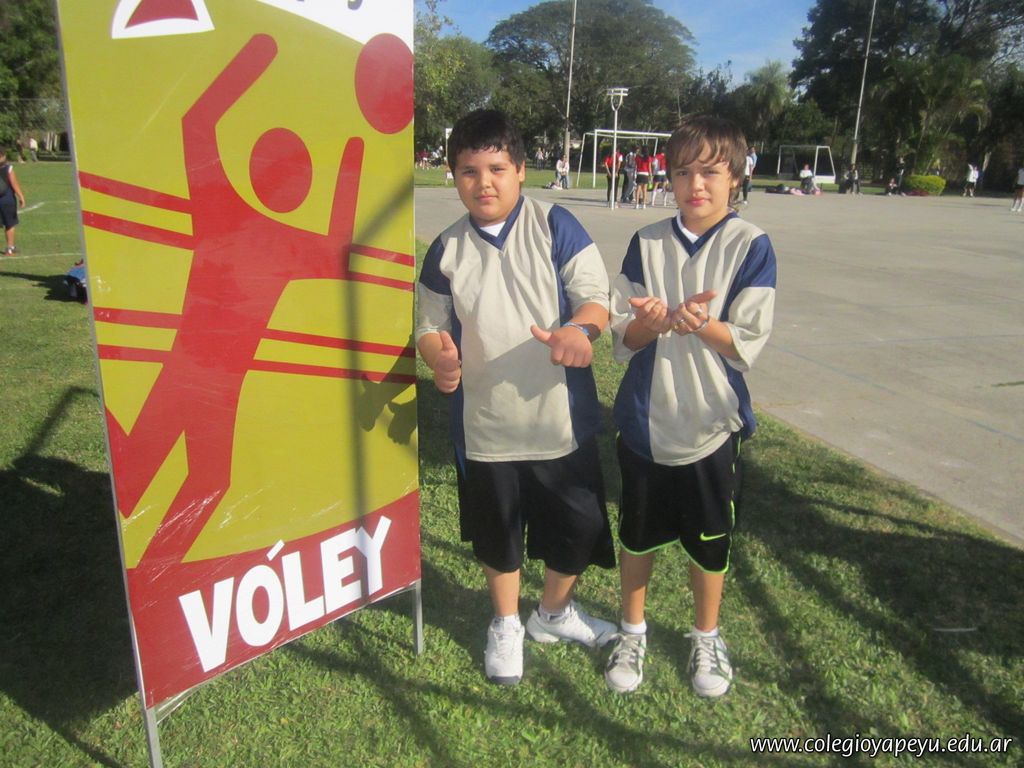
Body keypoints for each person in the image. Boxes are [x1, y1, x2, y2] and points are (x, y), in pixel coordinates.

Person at [416, 109, 617, 686]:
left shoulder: (556, 224)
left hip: (559, 421)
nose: (484, 183)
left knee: (578, 526)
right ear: (454, 175)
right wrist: (438, 358)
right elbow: (429, 326)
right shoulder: (446, 250)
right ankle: (505, 622)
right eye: (469, 171)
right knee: (497, 534)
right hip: (486, 427)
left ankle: (552, 613)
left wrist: (580, 331)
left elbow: (595, 296)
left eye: (497, 169)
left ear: (522, 170)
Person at [603, 115, 776, 698]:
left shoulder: (751, 244)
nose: (695, 184)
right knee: (637, 536)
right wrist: (650, 325)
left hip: (711, 424)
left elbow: (747, 341)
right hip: (646, 424)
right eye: (682, 172)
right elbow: (624, 336)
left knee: (709, 541)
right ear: (668, 178)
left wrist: (702, 324)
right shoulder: (647, 241)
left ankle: (707, 635)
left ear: (736, 177)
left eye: (710, 172)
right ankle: (632, 631)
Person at [0, 148, 27, 256]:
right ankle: (10, 248)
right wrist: (21, 197)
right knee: (9, 224)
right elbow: (14, 184)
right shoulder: (8, 168)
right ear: (3, 155)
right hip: (7, 200)